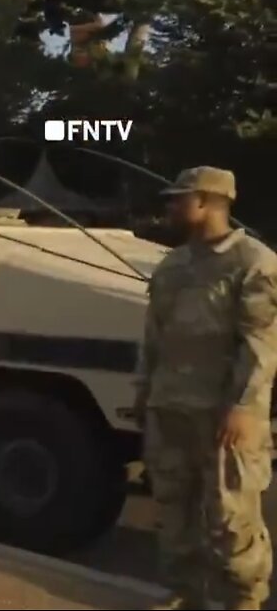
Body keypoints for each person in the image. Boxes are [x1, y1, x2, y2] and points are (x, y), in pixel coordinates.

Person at [136, 166, 277, 611]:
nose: (171, 207)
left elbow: (262, 343)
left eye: (179, 199)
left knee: (231, 519)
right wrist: (144, 392)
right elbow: (153, 336)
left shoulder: (253, 262)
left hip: (224, 418)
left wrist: (243, 406)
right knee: (173, 511)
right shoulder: (173, 264)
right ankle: (187, 594)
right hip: (171, 409)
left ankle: (243, 601)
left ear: (207, 203)